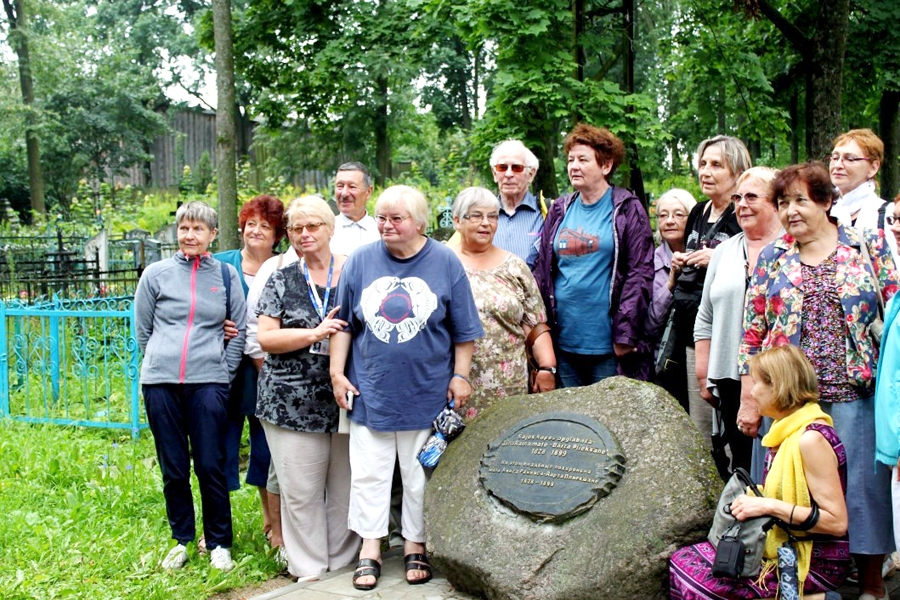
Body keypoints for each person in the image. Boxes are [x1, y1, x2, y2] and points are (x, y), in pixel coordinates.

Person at [739, 162, 899, 600]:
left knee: (863, 491)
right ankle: (796, 581)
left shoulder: (868, 247)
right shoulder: (774, 256)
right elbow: (753, 330)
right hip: (787, 403)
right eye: (783, 202)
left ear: (828, 202)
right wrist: (748, 400)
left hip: (854, 394)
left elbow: (897, 317)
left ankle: (870, 583)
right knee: (789, 490)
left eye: (800, 200)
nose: (790, 211)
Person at [330, 185, 483, 590]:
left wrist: (461, 375)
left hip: (428, 391)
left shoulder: (444, 261)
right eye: (381, 217)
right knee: (369, 474)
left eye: (396, 218)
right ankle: (370, 548)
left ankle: (416, 544)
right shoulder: (361, 261)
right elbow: (343, 324)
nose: (386, 225)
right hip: (371, 391)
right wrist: (336, 373)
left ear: (419, 222)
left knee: (419, 476)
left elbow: (463, 331)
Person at [669, 345, 850, 599]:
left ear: (778, 386)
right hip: (789, 543)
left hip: (812, 560)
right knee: (682, 560)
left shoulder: (810, 439)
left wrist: (768, 506)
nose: (752, 392)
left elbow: (837, 522)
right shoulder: (786, 429)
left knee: (698, 583)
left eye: (756, 383)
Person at [134, 201, 247, 572]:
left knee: (211, 464)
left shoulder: (226, 276)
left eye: (198, 229)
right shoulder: (156, 274)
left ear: (213, 234)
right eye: (184, 228)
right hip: (161, 383)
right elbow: (144, 330)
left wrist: (222, 371)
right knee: (174, 466)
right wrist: (158, 362)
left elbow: (240, 329)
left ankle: (219, 542)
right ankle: (181, 539)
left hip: (208, 383)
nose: (190, 235)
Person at [255, 196, 359, 580]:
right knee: (301, 492)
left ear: (330, 229)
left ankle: (342, 562)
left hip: (346, 396)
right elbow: (266, 338)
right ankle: (310, 569)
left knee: (345, 488)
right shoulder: (281, 278)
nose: (304, 234)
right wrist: (314, 333)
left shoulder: (354, 272)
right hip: (289, 401)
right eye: (297, 228)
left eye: (312, 226)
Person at [533, 123, 654, 385]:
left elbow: (640, 273)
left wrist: (625, 335)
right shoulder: (559, 210)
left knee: (607, 420)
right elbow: (543, 270)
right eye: (570, 160)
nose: (574, 166)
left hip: (608, 346)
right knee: (570, 420)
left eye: (583, 160)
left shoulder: (627, 209)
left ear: (606, 165)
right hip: (563, 342)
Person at [693, 167, 782, 480]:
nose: (741, 204)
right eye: (738, 197)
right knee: (742, 461)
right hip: (729, 375)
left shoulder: (792, 248)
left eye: (752, 197)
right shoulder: (725, 252)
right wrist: (704, 373)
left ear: (775, 202)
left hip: (780, 378)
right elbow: (705, 316)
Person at [214, 195, 285, 553]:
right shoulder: (221, 264)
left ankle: (272, 525)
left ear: (277, 235)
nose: (256, 231)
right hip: (223, 372)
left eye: (266, 226)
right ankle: (216, 528)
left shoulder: (284, 267)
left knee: (266, 448)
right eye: (251, 224)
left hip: (266, 371)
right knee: (220, 447)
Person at [449, 186, 556, 422]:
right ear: (457, 220)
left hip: (508, 385)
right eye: (476, 216)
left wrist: (547, 368)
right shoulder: (441, 263)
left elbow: (535, 324)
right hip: (454, 383)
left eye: (492, 216)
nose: (486, 223)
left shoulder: (515, 267)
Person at [671, 135, 751, 448]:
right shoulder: (699, 211)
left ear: (737, 171)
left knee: (732, 420)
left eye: (716, 165)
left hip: (728, 333)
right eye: (703, 163)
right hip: (693, 328)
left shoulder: (741, 214)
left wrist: (715, 258)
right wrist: (681, 262)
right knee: (701, 420)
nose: (705, 171)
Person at [646, 188, 697, 410]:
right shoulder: (651, 262)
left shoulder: (704, 255)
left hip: (698, 355)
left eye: (678, 214)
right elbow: (650, 323)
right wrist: (671, 282)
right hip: (665, 361)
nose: (669, 221)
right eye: (663, 215)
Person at [829, 128, 899, 262]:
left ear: (873, 167)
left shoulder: (888, 216)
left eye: (849, 159)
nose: (838, 165)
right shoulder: (823, 211)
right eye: (835, 158)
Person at [490, 140, 545, 267]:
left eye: (517, 168)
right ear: (494, 173)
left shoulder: (547, 213)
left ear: (531, 174)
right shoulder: (480, 215)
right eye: (502, 167)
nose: (509, 174)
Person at [330, 162, 379, 256]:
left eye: (352, 187)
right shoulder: (324, 231)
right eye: (340, 186)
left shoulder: (381, 230)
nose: (344, 193)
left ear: (368, 192)